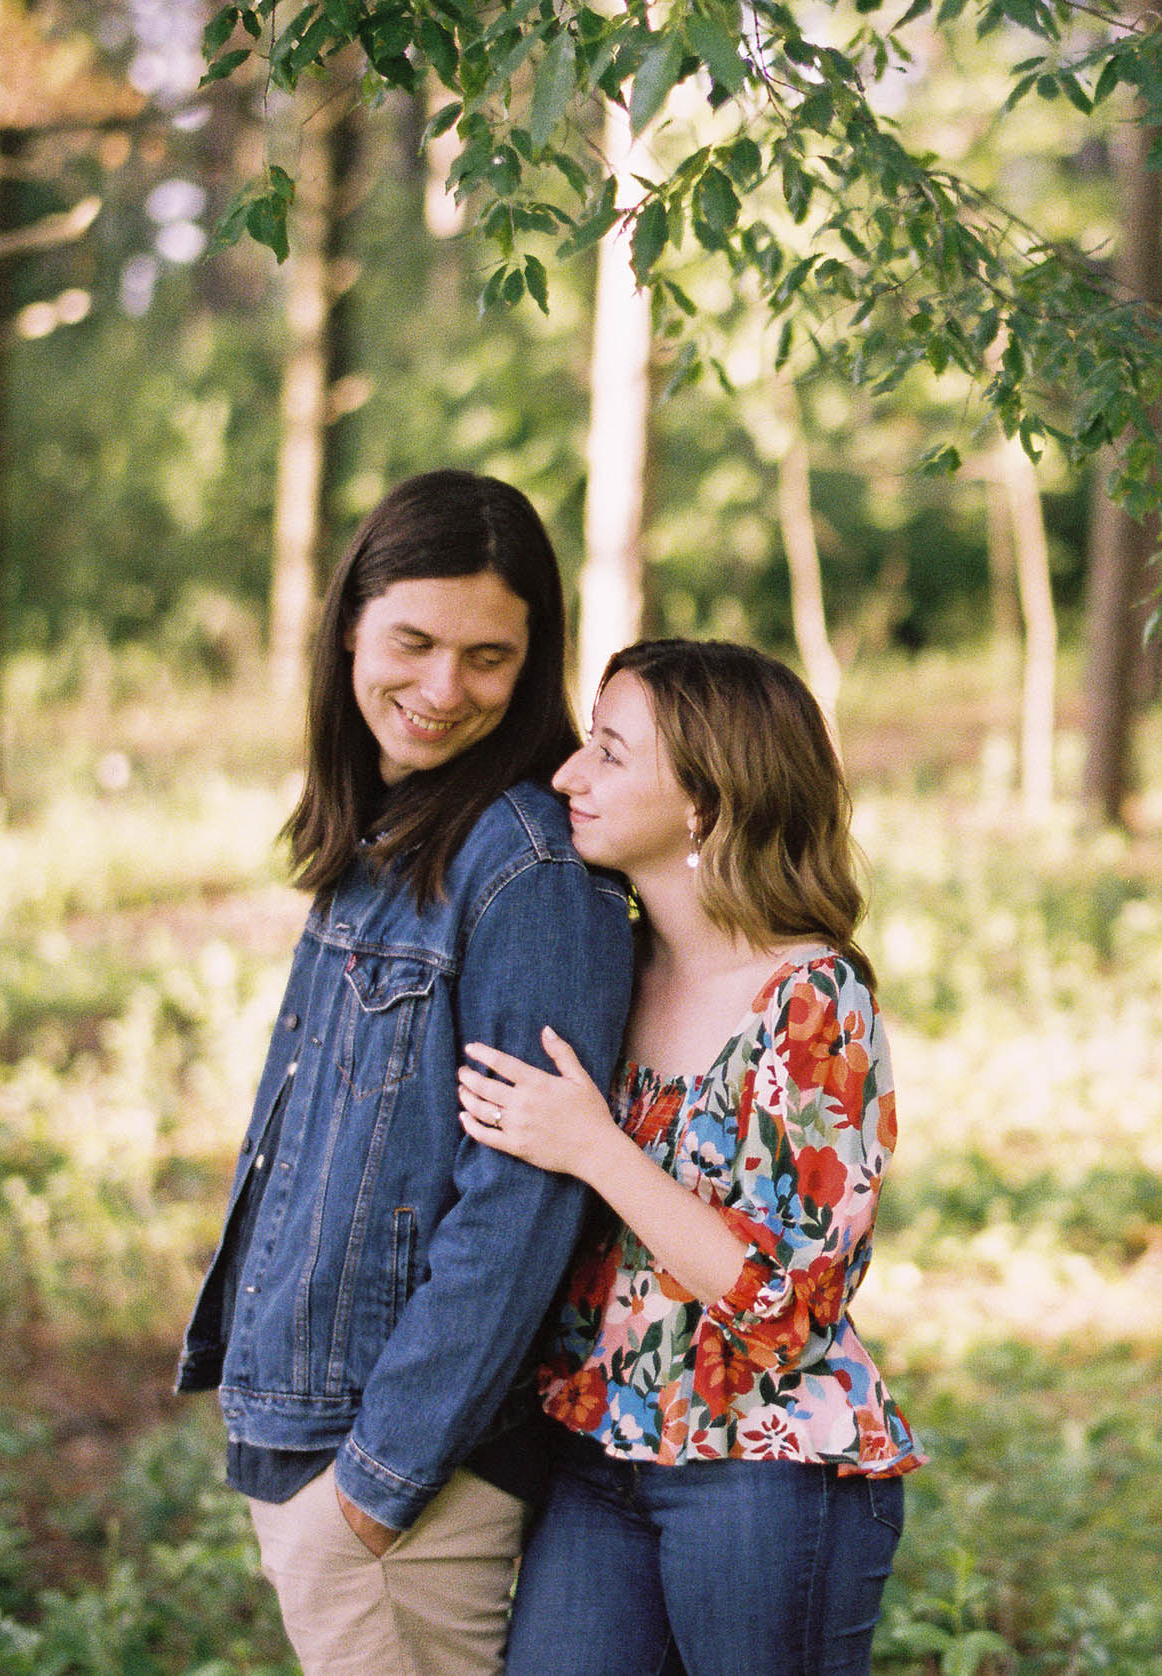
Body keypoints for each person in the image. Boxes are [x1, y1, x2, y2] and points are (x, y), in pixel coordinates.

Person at [176, 469, 634, 1676]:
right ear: (349, 627)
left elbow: (523, 1199)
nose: (443, 689)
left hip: (403, 1478)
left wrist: (375, 1483)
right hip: (317, 1439)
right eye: (415, 642)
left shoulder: (528, 867)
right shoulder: (381, 832)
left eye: (488, 658)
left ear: (534, 663)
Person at [453, 638, 923, 1676]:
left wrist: (594, 1145)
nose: (570, 773)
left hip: (764, 1469)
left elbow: (791, 1301)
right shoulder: (606, 962)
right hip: (599, 1453)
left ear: (705, 802)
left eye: (610, 753)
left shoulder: (810, 1000)